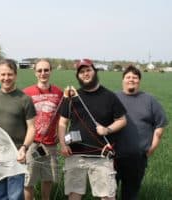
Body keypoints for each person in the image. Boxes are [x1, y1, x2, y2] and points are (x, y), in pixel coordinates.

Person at [58, 58, 127, 200]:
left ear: (95, 72)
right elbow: (62, 123)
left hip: (101, 155)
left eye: (88, 70)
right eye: (81, 72)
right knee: (74, 194)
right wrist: (63, 145)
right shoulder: (72, 97)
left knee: (107, 196)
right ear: (78, 76)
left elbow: (122, 120)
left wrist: (107, 130)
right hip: (75, 155)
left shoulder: (109, 96)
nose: (85, 74)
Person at [115, 65, 167, 200]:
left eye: (135, 77)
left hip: (137, 158)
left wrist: (153, 147)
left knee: (131, 194)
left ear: (139, 80)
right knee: (108, 194)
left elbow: (160, 124)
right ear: (123, 80)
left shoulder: (149, 100)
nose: (131, 79)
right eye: (128, 77)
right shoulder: (113, 98)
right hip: (112, 156)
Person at [0, 58, 36, 200]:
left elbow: (32, 128)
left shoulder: (24, 99)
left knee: (15, 196)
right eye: (2, 74)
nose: (6, 78)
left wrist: (24, 148)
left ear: (15, 75)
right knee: (1, 195)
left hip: (16, 154)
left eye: (9, 74)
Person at [23, 59, 63, 200]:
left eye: (46, 70)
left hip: (51, 144)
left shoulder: (59, 92)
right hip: (33, 144)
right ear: (35, 73)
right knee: (29, 181)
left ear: (50, 71)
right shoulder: (26, 92)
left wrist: (60, 136)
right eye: (40, 70)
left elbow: (61, 118)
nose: (43, 73)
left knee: (48, 179)